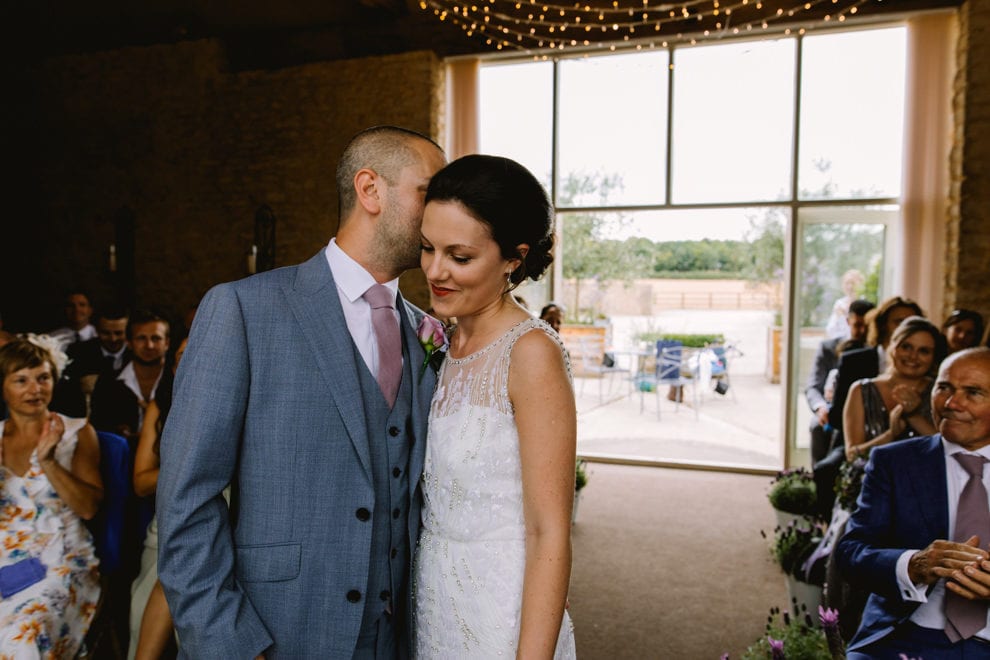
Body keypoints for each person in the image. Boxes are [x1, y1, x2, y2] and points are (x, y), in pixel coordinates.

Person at [157, 125, 446, 658]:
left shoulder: (430, 333)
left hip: (401, 636)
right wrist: (229, 643)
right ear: (370, 190)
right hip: (280, 631)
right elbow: (187, 499)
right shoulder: (243, 310)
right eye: (430, 193)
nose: (444, 213)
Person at [414, 154, 577, 658]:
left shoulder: (530, 353)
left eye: (459, 257)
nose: (435, 271)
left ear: (513, 257)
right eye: (426, 248)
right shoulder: (440, 339)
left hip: (500, 612)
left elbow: (549, 532)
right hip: (433, 594)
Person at [835, 347, 990, 658]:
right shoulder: (895, 461)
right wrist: (913, 565)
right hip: (904, 633)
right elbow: (851, 552)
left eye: (973, 392)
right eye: (943, 387)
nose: (951, 403)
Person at [0, 335, 103, 657]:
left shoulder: (77, 431)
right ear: (3, 386)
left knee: (22, 640)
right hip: (5, 562)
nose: (35, 389)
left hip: (61, 561)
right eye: (22, 380)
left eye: (43, 378)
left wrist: (48, 462)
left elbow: (89, 508)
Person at [128, 336, 186, 660]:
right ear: (173, 366)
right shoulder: (161, 406)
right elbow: (140, 482)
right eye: (180, 357)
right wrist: (193, 470)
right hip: (171, 515)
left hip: (236, 513)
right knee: (144, 604)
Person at [827, 296, 925, 435]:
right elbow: (836, 418)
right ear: (883, 324)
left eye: (912, 322)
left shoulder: (924, 365)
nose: (906, 328)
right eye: (899, 322)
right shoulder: (853, 361)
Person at [806, 299, 875, 463]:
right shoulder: (828, 348)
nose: (862, 331)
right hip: (832, 410)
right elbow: (813, 386)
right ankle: (820, 477)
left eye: (867, 326)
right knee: (817, 426)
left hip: (867, 415)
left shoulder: (876, 352)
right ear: (847, 321)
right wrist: (821, 407)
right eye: (858, 325)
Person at [89, 309, 171, 446]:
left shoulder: (179, 382)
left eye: (156, 338)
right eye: (141, 338)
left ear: (167, 343)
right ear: (129, 343)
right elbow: (97, 429)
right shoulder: (108, 383)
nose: (149, 345)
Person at [50, 305, 131, 418]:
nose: (113, 339)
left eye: (118, 333)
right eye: (106, 333)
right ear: (97, 331)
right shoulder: (78, 352)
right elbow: (63, 393)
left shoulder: (137, 353)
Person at [825, 269, 865, 340]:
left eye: (853, 283)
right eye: (847, 283)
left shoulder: (863, 303)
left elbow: (853, 333)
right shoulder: (840, 303)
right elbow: (830, 330)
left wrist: (842, 317)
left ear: (860, 284)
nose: (850, 287)